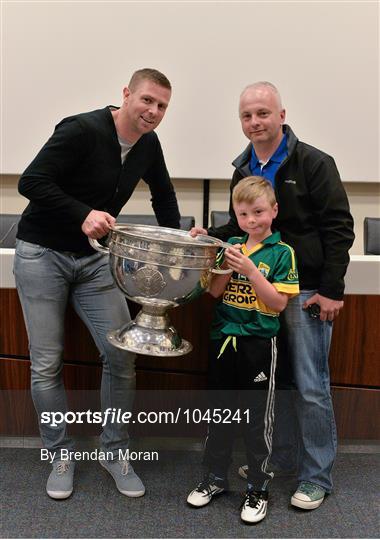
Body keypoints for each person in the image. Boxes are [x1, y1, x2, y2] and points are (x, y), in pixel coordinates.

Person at [14, 68, 181, 500]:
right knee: (47, 364)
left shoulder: (149, 144)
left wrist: (180, 239)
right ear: (126, 95)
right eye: (147, 100)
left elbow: (163, 196)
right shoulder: (81, 129)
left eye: (162, 106)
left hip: (93, 261)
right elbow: (30, 182)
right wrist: (82, 212)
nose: (153, 111)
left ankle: (114, 450)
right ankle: (60, 453)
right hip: (41, 255)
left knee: (121, 357)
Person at [191, 81, 355, 510]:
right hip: (260, 296)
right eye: (246, 115)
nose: (254, 122)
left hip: (306, 291)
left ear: (282, 115)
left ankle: (316, 477)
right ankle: (280, 459)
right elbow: (240, 225)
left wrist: (332, 289)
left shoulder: (315, 162)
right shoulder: (243, 166)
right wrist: (211, 236)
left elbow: (340, 228)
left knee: (310, 386)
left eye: (263, 113)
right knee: (277, 384)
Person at [187, 176, 299, 524]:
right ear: (235, 215)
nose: (252, 220)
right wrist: (221, 258)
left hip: (258, 345)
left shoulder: (283, 252)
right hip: (224, 340)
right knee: (219, 416)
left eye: (259, 212)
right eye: (244, 214)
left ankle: (258, 487)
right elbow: (215, 292)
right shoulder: (233, 244)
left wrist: (250, 270)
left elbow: (278, 303)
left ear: (274, 210)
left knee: (256, 421)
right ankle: (215, 478)